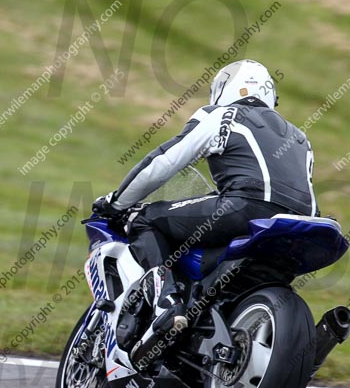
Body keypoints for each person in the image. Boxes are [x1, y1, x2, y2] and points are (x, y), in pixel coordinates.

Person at [92, 59, 319, 368]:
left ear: (225, 88)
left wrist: (116, 202)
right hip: (302, 223)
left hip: (246, 208)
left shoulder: (222, 115)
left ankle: (166, 302)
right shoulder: (300, 138)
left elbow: (164, 162)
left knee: (147, 218)